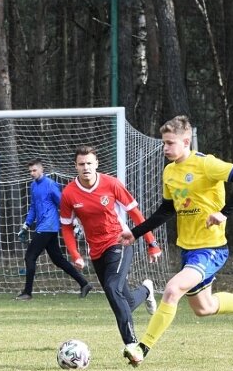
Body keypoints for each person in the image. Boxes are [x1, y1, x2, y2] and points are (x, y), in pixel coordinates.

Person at [119, 115, 233, 367]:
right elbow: (166, 210)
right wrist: (136, 232)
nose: (165, 148)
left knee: (172, 290)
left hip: (211, 248)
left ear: (186, 141)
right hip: (188, 249)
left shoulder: (206, 164)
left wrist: (223, 213)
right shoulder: (170, 172)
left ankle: (141, 348)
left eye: (170, 143)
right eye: (164, 143)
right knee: (204, 308)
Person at [59, 146, 162, 355]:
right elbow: (66, 227)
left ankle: (132, 345)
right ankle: (146, 290)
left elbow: (136, 214)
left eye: (89, 163)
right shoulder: (69, 193)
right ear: (75, 166)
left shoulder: (112, 184)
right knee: (125, 302)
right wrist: (75, 255)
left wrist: (152, 243)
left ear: (96, 164)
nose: (86, 167)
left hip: (119, 242)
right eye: (81, 164)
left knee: (112, 286)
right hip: (96, 251)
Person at [16, 159, 92, 300]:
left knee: (30, 257)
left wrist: (75, 221)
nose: (32, 173)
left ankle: (27, 292)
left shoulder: (50, 185)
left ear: (41, 170)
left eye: (34, 170)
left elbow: (63, 204)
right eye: (30, 171)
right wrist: (26, 225)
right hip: (43, 227)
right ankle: (84, 283)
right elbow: (33, 207)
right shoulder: (33, 186)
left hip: (48, 227)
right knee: (58, 260)